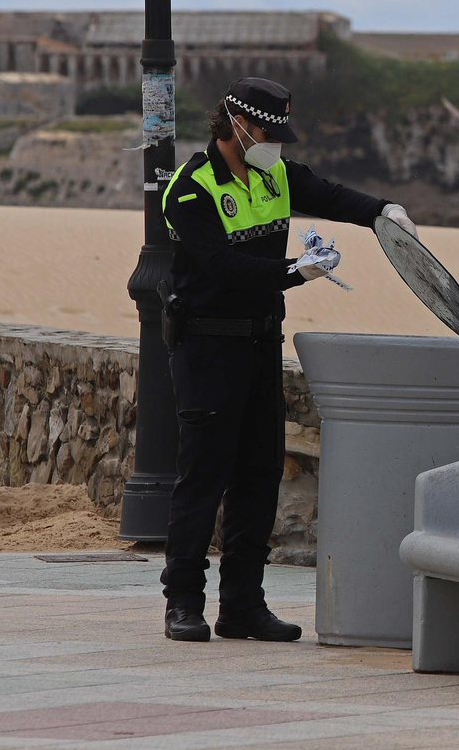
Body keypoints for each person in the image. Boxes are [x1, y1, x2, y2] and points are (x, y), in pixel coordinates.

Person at [158, 77, 417, 642]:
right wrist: (293, 272)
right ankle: (183, 601)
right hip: (207, 346)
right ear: (237, 125)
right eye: (268, 131)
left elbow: (328, 194)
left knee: (259, 476)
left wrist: (383, 212)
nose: (275, 143)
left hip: (259, 343)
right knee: (203, 478)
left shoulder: (275, 174)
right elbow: (219, 267)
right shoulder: (189, 188)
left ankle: (243, 605)